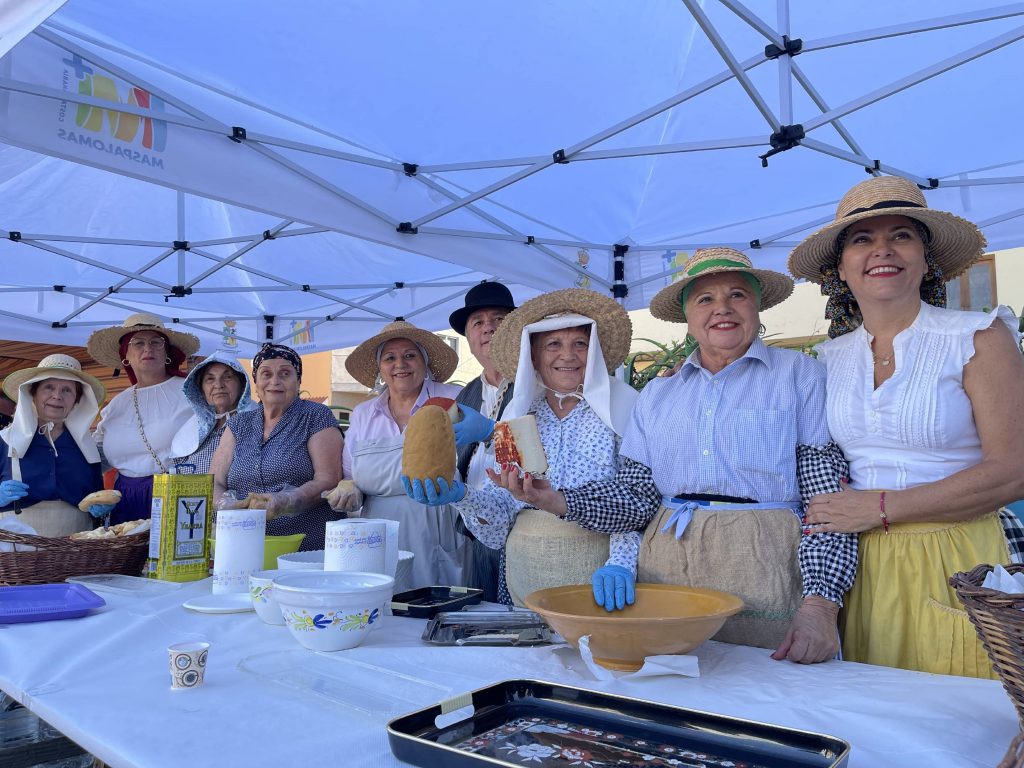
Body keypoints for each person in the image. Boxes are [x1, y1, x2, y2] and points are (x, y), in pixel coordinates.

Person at [503, 250, 857, 662]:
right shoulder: (659, 393)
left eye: (737, 295)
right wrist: (558, 500)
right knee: (673, 688)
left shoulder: (800, 375)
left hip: (766, 565)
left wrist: (820, 605)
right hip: (667, 567)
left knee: (765, 695)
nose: (721, 309)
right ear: (686, 316)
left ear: (758, 307)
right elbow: (637, 498)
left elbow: (828, 502)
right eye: (704, 299)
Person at [789, 175, 1024, 678]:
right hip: (859, 566)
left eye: (901, 235)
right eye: (862, 239)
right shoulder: (826, 360)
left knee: (964, 727)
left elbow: (1013, 470)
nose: (882, 250)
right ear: (841, 270)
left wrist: (880, 507)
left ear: (925, 257)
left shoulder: (979, 337)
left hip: (959, 558)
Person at [405, 288, 642, 610]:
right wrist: (461, 496)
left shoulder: (626, 407)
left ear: (595, 350)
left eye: (580, 344)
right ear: (534, 356)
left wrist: (622, 561)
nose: (567, 355)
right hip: (524, 574)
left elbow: (639, 499)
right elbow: (501, 521)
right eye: (553, 345)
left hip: (599, 572)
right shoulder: (517, 415)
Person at [338, 320, 467, 589]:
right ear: (380, 368)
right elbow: (350, 475)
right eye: (390, 358)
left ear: (425, 362)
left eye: (410, 355)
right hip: (378, 535)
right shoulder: (363, 413)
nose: (400, 365)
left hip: (437, 528)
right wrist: (348, 490)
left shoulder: (455, 399)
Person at [211, 343, 342, 551]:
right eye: (266, 374)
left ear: (298, 381)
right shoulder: (238, 424)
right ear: (255, 383)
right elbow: (214, 482)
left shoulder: (316, 417)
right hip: (243, 544)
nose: (275, 381)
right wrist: (225, 505)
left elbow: (328, 479)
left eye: (285, 373)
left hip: (305, 546)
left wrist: (288, 500)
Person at [88, 313, 199, 524]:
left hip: (175, 495)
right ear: (125, 355)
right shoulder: (116, 405)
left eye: (156, 342)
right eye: (138, 343)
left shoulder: (191, 393)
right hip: (125, 500)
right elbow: (96, 457)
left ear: (166, 352)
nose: (148, 348)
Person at [447, 281, 518, 601]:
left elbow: (542, 451)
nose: (488, 327)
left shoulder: (535, 382)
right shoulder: (465, 394)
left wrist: (493, 432)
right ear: (469, 339)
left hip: (521, 532)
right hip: (475, 530)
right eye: (478, 322)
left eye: (499, 319)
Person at [0, 355, 110, 536]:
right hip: (16, 552)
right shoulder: (4, 441)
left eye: (67, 390)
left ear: (77, 400)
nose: (57, 396)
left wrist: (102, 507)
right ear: (33, 394)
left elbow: (96, 498)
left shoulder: (87, 448)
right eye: (48, 387)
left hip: (75, 550)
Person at [171, 351, 254, 474]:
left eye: (227, 377)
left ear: (242, 385)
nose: (218, 385)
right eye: (210, 379)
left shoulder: (258, 423)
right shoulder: (190, 431)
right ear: (201, 390)